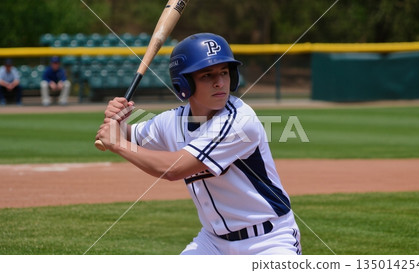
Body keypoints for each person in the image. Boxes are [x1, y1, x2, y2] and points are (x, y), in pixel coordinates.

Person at [96, 33, 301, 255]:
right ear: (184, 84)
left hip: (268, 241)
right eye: (207, 75)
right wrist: (119, 120)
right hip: (212, 242)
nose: (219, 82)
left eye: (224, 72)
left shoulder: (239, 121)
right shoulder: (173, 121)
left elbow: (173, 169)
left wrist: (117, 144)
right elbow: (129, 135)